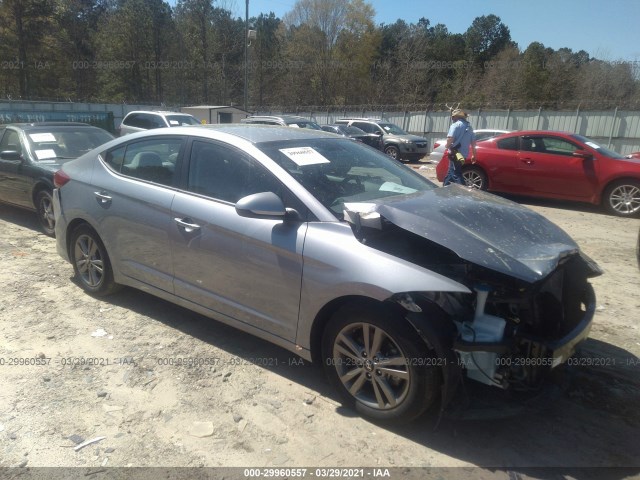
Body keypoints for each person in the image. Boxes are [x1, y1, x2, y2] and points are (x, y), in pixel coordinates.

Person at [443, 108, 476, 186]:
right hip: (463, 155)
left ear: (457, 117)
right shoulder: (470, 128)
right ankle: (444, 188)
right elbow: (473, 143)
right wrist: (474, 155)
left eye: (453, 117)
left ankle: (463, 191)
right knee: (451, 172)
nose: (452, 118)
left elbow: (450, 138)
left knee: (456, 174)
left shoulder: (455, 125)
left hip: (455, 154)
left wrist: (447, 146)